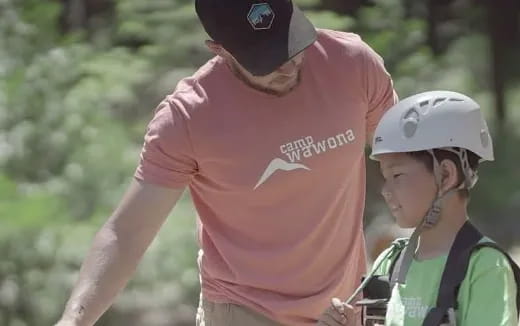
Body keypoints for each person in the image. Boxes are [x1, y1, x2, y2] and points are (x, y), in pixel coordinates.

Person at [54, 0, 397, 325]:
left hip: (343, 306)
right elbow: (127, 233)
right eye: (267, 57)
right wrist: (75, 318)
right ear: (219, 49)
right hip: (244, 309)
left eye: (292, 42)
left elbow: (405, 163)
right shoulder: (187, 118)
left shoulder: (353, 64)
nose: (288, 63)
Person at [318, 90, 519, 326]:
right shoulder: (391, 261)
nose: (385, 190)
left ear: (445, 175)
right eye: (385, 177)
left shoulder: (485, 268)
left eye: (397, 175)